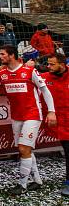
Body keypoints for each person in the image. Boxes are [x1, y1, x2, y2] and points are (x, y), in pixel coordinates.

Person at [0, 45, 57, 195]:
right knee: (26, 149)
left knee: (23, 148)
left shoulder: (30, 71)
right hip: (16, 116)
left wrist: (51, 111)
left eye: (2, 54)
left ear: (12, 55)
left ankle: (22, 185)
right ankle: (37, 181)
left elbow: (45, 90)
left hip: (32, 114)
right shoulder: (1, 73)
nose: (0, 57)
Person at [40, 53, 69, 196]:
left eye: (52, 64)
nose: (48, 67)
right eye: (48, 64)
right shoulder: (44, 78)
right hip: (61, 123)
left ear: (62, 65)